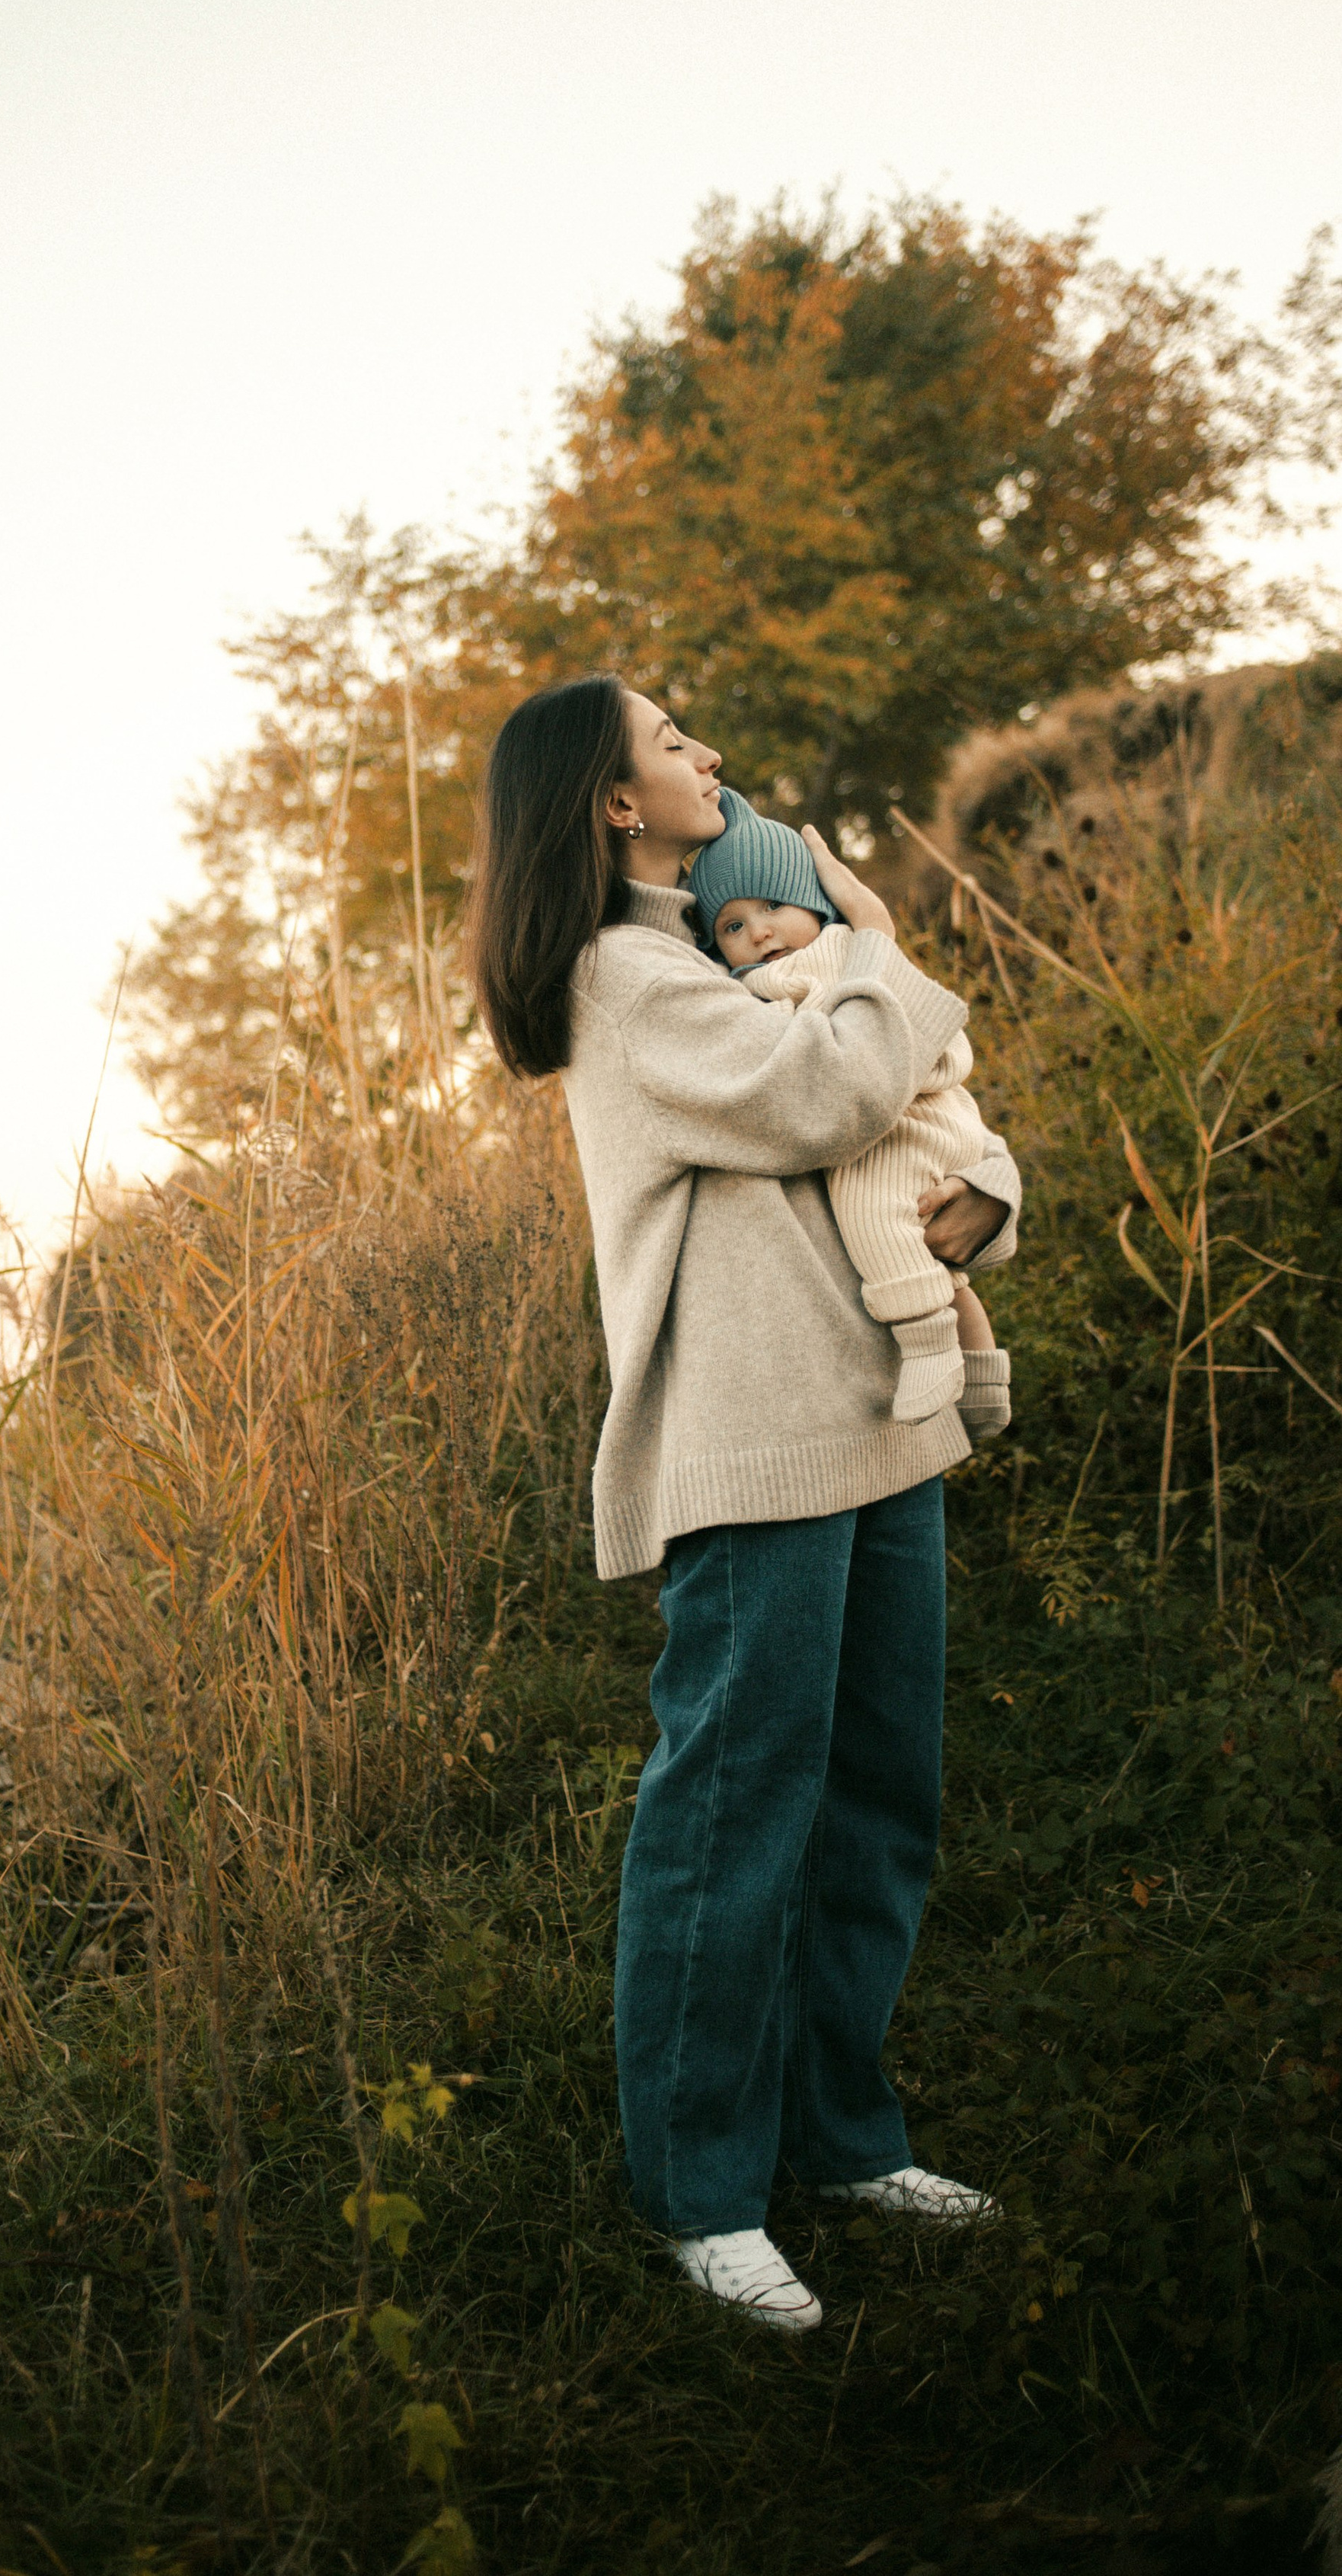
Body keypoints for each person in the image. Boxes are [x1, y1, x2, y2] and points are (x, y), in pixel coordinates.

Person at [466, 674, 1020, 2334]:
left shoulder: (720, 948)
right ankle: (702, 2195)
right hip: (750, 1445)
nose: (706, 755)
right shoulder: (621, 979)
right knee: (731, 1818)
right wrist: (871, 933)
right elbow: (828, 1097)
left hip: (877, 1422)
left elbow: (907, 1131)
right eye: (670, 741)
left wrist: (973, 1209)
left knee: (874, 1801)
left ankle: (845, 2141)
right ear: (611, 803)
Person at [685, 787, 1013, 1435]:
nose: (758, 932)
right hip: (905, 1116)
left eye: (774, 905)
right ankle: (982, 1384)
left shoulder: (833, 956)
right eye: (731, 926)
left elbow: (859, 1062)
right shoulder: (751, 982)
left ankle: (926, 1345)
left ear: (815, 903)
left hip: (909, 1119)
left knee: (872, 1207)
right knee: (944, 1270)